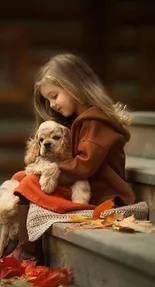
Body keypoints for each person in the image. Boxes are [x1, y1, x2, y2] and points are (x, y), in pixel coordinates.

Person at [4, 53, 135, 263]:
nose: (52, 104)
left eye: (54, 96)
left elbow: (85, 165)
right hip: (86, 185)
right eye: (48, 99)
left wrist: (53, 171)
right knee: (21, 176)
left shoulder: (95, 122)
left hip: (104, 195)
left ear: (74, 87)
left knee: (29, 183)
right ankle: (14, 240)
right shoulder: (82, 120)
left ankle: (27, 249)